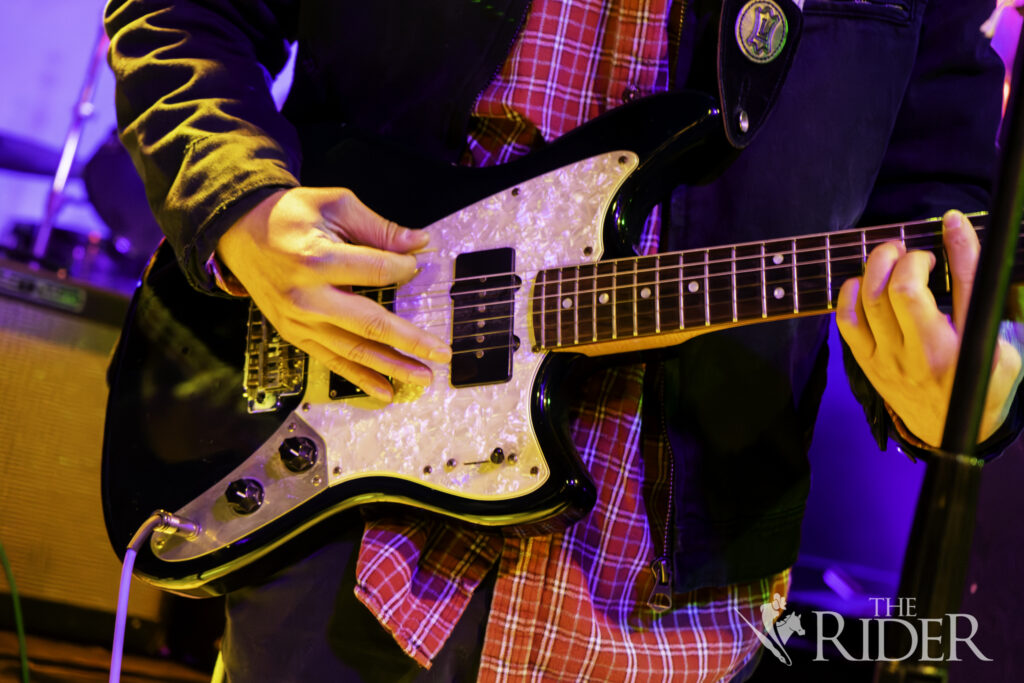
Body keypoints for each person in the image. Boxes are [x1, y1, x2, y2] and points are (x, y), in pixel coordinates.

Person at [103, 0, 1023, 680]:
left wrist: (968, 395)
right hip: (355, 541)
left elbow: (941, 215)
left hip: (678, 614)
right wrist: (243, 204)